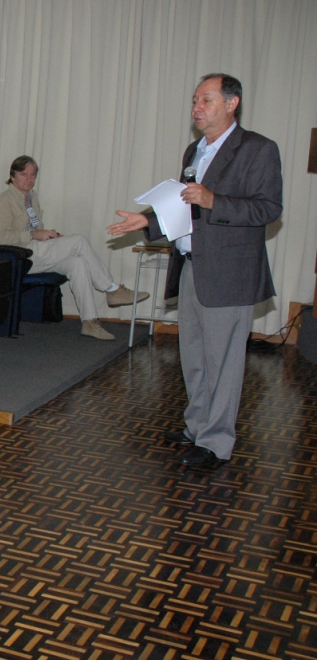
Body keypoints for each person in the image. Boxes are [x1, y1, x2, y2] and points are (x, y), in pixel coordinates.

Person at [108, 73, 282, 468]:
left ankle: (216, 443)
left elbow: (269, 209)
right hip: (190, 266)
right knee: (195, 358)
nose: (196, 109)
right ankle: (198, 426)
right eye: (194, 101)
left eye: (206, 100)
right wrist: (147, 222)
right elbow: (184, 207)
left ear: (231, 104)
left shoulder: (258, 149)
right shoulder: (195, 150)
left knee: (224, 363)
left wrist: (213, 199)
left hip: (230, 274)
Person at [0, 155, 146, 341]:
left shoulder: (31, 197)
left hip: (38, 251)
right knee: (79, 241)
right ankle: (112, 289)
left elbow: (35, 228)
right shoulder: (2, 202)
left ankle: (90, 322)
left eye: (33, 175)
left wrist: (51, 235)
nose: (29, 179)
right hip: (21, 257)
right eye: (24, 175)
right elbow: (1, 239)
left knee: (77, 263)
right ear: (12, 176)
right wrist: (33, 235)